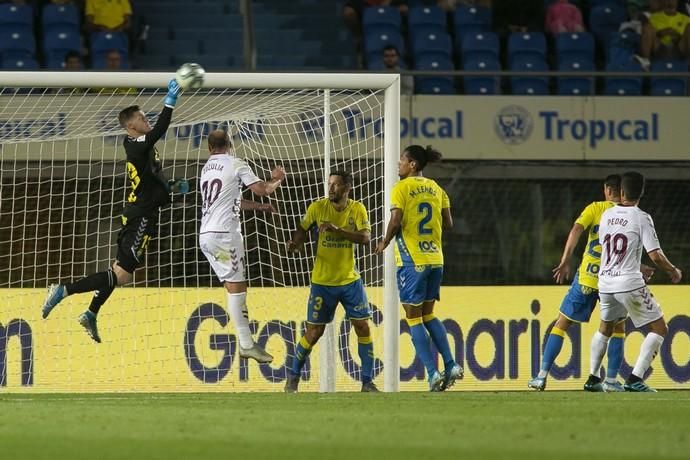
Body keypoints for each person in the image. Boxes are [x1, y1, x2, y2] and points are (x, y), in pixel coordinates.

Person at [41, 78, 188, 342]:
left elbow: (151, 179)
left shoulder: (144, 149)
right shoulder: (136, 143)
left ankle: (91, 313)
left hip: (142, 213)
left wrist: (173, 186)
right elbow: (159, 130)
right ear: (132, 125)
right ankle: (63, 290)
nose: (148, 121)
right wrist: (170, 101)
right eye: (143, 118)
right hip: (140, 217)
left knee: (119, 272)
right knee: (121, 275)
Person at [528, 175, 643, 392]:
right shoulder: (631, 215)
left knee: (561, 323)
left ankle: (541, 376)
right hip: (614, 279)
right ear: (623, 191)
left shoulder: (596, 208)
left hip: (588, 277)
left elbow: (576, 230)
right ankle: (609, 380)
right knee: (616, 328)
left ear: (608, 190)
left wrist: (565, 260)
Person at [375, 145, 463, 392]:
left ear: (412, 164)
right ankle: (451, 364)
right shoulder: (437, 188)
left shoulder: (401, 188)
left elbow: (395, 220)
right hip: (436, 259)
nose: (398, 164)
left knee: (413, 318)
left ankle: (433, 373)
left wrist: (384, 241)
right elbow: (448, 223)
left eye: (402, 160)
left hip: (412, 260)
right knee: (428, 315)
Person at [284, 170, 378, 393]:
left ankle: (367, 382)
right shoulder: (318, 208)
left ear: (347, 188)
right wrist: (295, 244)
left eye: (336, 185)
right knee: (314, 332)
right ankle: (293, 378)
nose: (331, 188)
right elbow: (302, 230)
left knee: (363, 327)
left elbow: (365, 238)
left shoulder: (358, 209)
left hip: (349, 281)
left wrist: (337, 230)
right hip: (322, 282)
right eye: (329, 184)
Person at [588, 171, 682, 392]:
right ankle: (635, 379)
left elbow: (608, 249)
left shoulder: (606, 216)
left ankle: (592, 378)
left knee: (605, 328)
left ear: (621, 192)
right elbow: (656, 254)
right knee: (659, 328)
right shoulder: (642, 217)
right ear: (641, 193)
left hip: (606, 283)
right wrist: (672, 270)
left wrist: (636, 265)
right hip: (628, 283)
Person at [199, 130, 285, 363]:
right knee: (238, 288)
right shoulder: (236, 163)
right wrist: (277, 178)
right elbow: (264, 190)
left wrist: (259, 208)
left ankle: (246, 341)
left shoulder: (206, 169)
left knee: (232, 286)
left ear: (209, 148)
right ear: (230, 144)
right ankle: (246, 344)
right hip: (225, 235)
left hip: (206, 235)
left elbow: (231, 200)